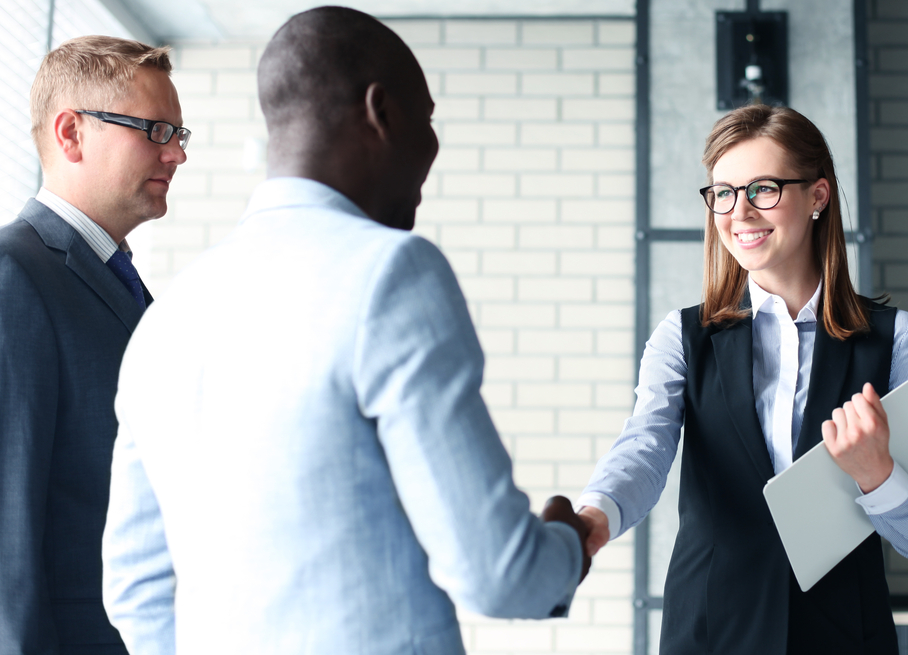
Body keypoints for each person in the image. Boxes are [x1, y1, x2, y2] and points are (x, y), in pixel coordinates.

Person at [101, 7, 589, 654]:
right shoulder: (391, 273)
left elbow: (135, 589)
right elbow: (499, 574)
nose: (432, 147)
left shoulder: (166, 319)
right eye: (429, 118)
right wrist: (567, 541)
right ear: (380, 111)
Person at [575, 105, 908, 655]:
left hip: (846, 637)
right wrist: (594, 517)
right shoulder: (683, 336)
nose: (739, 212)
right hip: (711, 633)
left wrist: (879, 475)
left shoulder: (895, 338)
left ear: (818, 196)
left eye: (763, 189)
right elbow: (645, 446)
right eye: (723, 193)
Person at [0, 36, 187, 653]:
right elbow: (9, 525)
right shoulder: (14, 275)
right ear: (71, 133)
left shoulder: (121, 284)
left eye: (180, 135)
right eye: (156, 130)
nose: (176, 155)